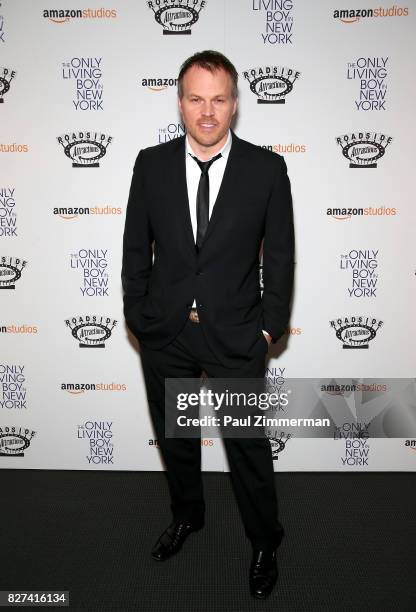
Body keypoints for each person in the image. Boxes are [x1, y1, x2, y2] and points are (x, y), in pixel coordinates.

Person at [121, 50, 294, 600]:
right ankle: (187, 515)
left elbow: (282, 257)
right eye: (196, 98)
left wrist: (269, 328)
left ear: (235, 104)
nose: (207, 110)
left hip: (235, 335)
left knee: (246, 444)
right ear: (180, 102)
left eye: (218, 99)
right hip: (167, 332)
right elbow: (133, 248)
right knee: (177, 436)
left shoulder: (266, 169)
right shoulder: (150, 164)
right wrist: (137, 313)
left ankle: (265, 540)